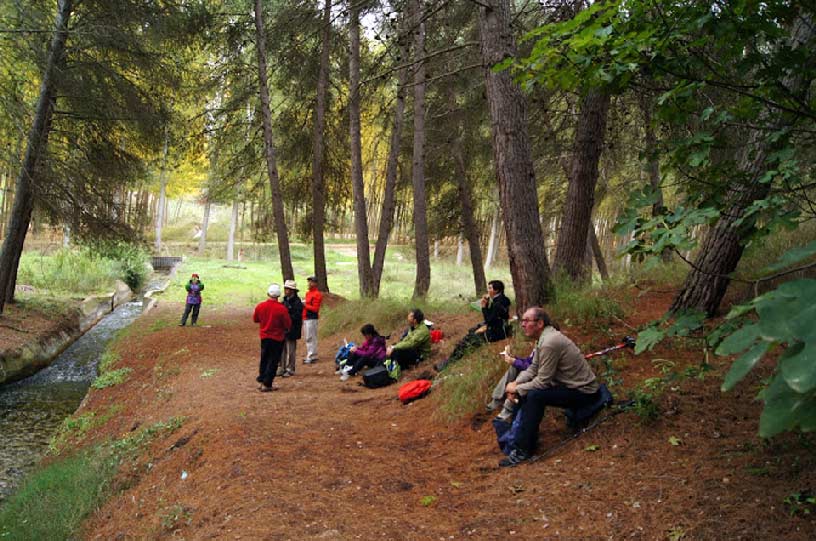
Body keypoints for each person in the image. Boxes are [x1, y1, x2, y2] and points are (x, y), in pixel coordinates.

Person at [498, 306, 601, 467]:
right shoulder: (544, 338)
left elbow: (543, 381)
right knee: (527, 392)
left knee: (534, 396)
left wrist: (517, 389)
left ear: (539, 323)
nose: (523, 324)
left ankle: (524, 450)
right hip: (569, 387)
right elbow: (533, 368)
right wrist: (515, 383)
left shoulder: (549, 342)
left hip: (584, 392)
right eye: (522, 321)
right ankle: (517, 440)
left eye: (526, 321)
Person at [435, 280, 511, 371]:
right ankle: (450, 360)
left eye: (490, 288)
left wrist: (484, 307)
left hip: (495, 332)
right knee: (471, 331)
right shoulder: (503, 299)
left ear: (496, 290)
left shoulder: (497, 303)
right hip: (497, 327)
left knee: (469, 339)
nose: (488, 290)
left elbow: (489, 320)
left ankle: (451, 362)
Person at [252, 284, 292, 392]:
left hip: (264, 336)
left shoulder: (260, 306)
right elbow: (287, 324)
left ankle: (262, 379)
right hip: (277, 338)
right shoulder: (281, 309)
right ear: (278, 296)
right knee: (273, 361)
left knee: (264, 358)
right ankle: (267, 383)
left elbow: (255, 319)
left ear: (268, 294)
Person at [486, 346, 534, 412]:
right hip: (531, 373)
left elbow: (533, 368)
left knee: (520, 370)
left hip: (538, 378)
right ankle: (498, 399)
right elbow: (528, 361)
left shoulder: (545, 345)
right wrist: (514, 358)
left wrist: (515, 362)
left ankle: (506, 404)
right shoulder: (539, 343)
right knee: (514, 367)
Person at [279, 279, 303, 378]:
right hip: (283, 329)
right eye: (285, 288)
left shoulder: (297, 302)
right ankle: (282, 368)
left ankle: (290, 368)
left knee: (291, 350)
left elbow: (297, 316)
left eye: (287, 289)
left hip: (293, 329)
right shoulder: (284, 300)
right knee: (282, 349)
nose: (286, 290)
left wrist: (286, 315)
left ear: (292, 290)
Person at [302, 276, 323, 364]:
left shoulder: (317, 294)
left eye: (311, 282)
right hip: (306, 317)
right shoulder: (308, 293)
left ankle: (312, 356)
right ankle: (311, 354)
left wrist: (304, 304)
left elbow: (315, 309)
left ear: (315, 284)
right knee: (308, 337)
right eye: (309, 282)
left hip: (312, 318)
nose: (309, 284)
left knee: (311, 337)